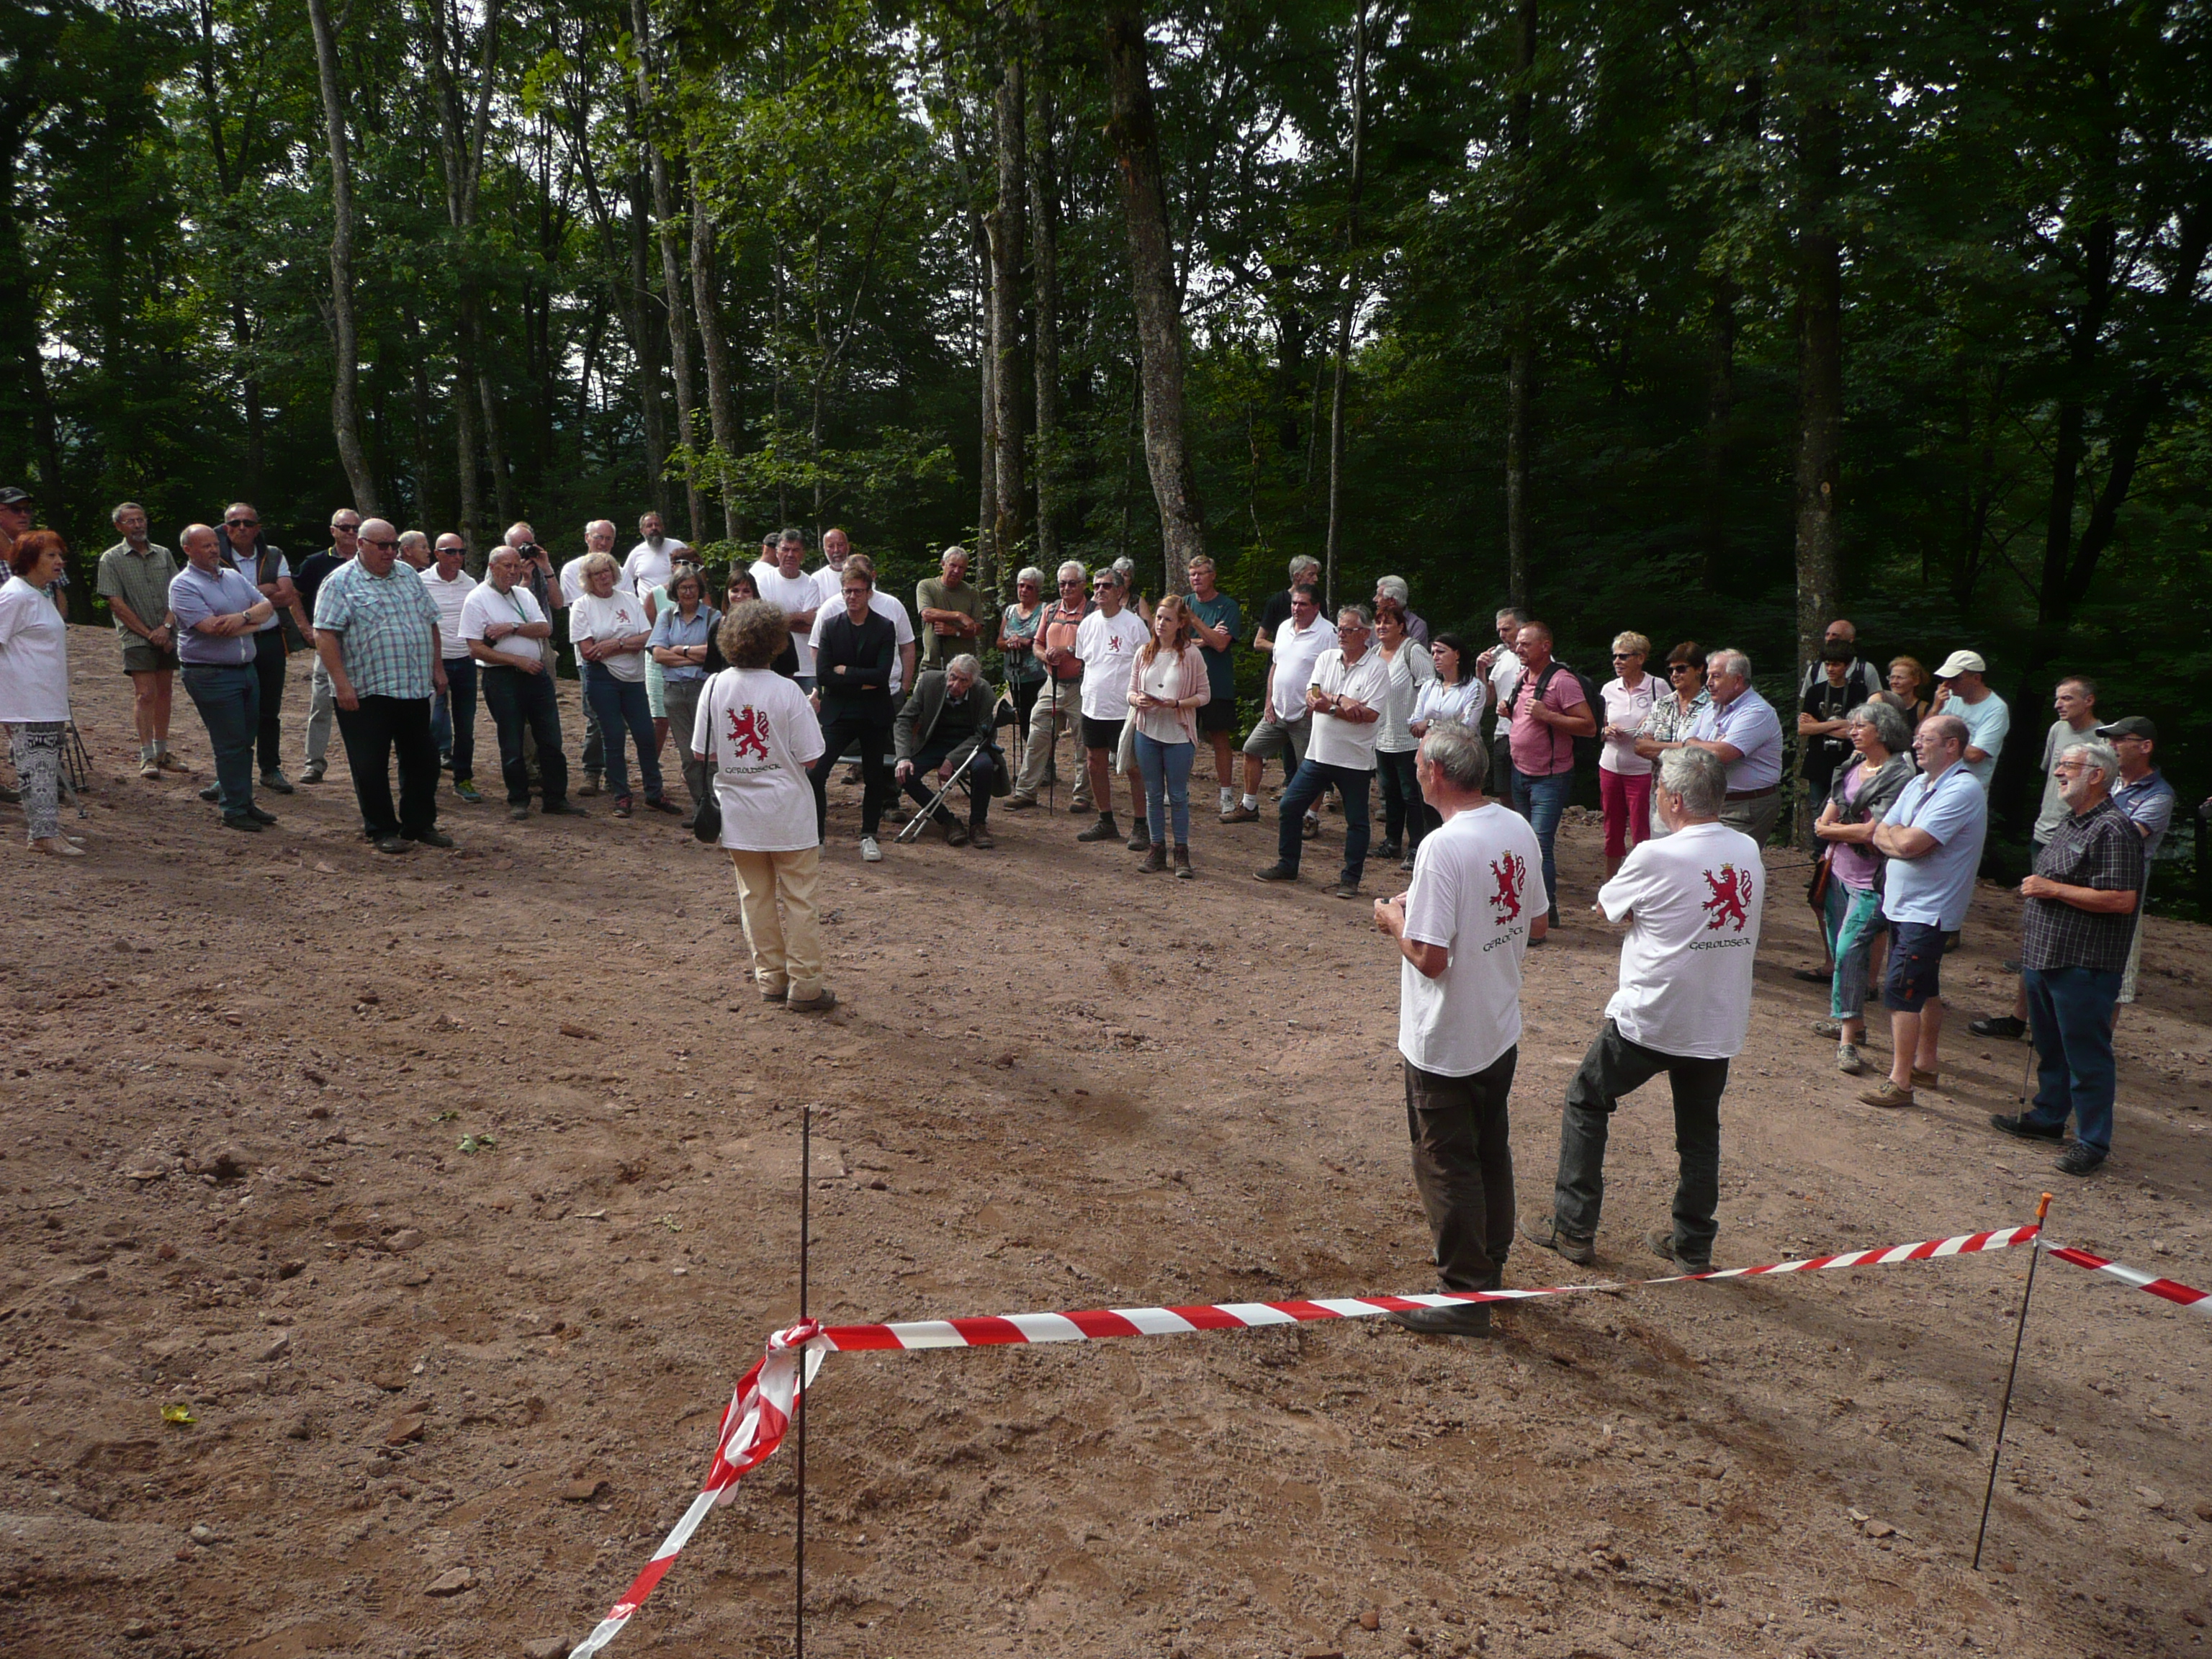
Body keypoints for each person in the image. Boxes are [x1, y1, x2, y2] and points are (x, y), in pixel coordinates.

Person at [1523, 747, 1761, 1277]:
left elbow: (1609, 907)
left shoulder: (1655, 855)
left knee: (1587, 1098)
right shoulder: (1745, 848)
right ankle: (1693, 1244)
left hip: (1655, 1015)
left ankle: (1574, 1227)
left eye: (1659, 790)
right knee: (1699, 1134)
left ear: (1674, 800)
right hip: (1716, 1019)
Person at [1373, 721, 1547, 1336]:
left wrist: (1393, 919)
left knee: (1446, 1162)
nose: (1415, 770)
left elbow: (1430, 958)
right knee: (1490, 1148)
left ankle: (1464, 1295)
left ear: (1438, 773)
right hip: (1497, 1023)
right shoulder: (1516, 826)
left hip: (1446, 1035)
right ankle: (1489, 1267)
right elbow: (1537, 923)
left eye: (1420, 762)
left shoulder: (1442, 846)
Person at [1987, 739, 2144, 1176]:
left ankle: (2092, 1142)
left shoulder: (2114, 828)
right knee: (2050, 1047)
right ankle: (2048, 1117)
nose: (2058, 772)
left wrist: (2051, 888)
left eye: (2068, 765)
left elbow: (2122, 899)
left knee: (2087, 1057)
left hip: (2084, 962)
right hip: (2046, 956)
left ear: (2096, 775)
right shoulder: (2073, 821)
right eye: (2059, 764)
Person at [696, 600, 834, 1012]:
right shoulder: (787, 690)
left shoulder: (714, 686)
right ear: (776, 642)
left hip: (739, 811)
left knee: (754, 898)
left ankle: (771, 979)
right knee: (800, 899)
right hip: (788, 811)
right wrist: (807, 713)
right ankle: (805, 986)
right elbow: (812, 758)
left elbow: (705, 753)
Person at [1854, 714, 1987, 1108]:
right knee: (1926, 987)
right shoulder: (1919, 783)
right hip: (1903, 904)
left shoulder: (1962, 790)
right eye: (1916, 738)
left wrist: (1898, 840)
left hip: (1928, 910)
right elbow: (1880, 831)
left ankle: (1901, 1082)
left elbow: (1911, 843)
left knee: (1902, 992)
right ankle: (1925, 1065)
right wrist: (1899, 840)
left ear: (1951, 745)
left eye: (1925, 739)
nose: (1915, 745)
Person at [1972, 677, 2103, 1040]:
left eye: (2068, 698)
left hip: (2077, 840)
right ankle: (2021, 1018)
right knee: (2037, 925)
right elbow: (2052, 776)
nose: (2059, 704)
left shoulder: (2104, 741)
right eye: (2057, 698)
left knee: (2063, 931)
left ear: (2089, 701)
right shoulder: (2057, 730)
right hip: (2044, 834)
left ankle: (2053, 1027)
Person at [313, 518, 451, 853]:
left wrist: (437, 667)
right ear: (361, 544)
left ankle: (419, 824)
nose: (390, 552)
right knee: (370, 765)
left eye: (393, 545)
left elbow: (430, 622)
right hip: (365, 690)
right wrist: (341, 685)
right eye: (383, 546)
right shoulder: (340, 582)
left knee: (423, 761)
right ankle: (382, 829)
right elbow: (324, 635)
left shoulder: (408, 576)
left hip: (412, 686)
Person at [1254, 603, 1389, 898]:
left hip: (1354, 760)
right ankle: (1288, 865)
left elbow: (1369, 714)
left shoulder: (1377, 669)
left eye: (1349, 629)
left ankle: (1350, 879)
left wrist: (1328, 706)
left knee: (1357, 821)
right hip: (1318, 754)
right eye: (1340, 628)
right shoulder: (1327, 658)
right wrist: (1340, 700)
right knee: (1289, 806)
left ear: (1365, 633)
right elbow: (1312, 694)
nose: (1341, 634)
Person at [1810, 701, 1915, 1074]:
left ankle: (1848, 1042)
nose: (1853, 731)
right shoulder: (1852, 766)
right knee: (1841, 950)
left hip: (1873, 880)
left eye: (1861, 726)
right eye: (1852, 725)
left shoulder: (1899, 774)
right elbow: (1825, 818)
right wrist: (1836, 830)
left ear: (1882, 732)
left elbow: (1874, 831)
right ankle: (1852, 1021)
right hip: (1838, 870)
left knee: (1848, 950)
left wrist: (1834, 831)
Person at [462, 547, 583, 822]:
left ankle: (556, 798)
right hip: (501, 678)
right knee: (512, 741)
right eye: (507, 566)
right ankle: (518, 799)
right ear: (492, 567)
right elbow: (475, 649)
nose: (513, 572)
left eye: (516, 566)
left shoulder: (524, 595)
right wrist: (517, 660)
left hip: (535, 674)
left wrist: (512, 627)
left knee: (551, 739)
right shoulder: (477, 599)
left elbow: (545, 629)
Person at [168, 524, 274, 832]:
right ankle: (233, 808)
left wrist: (243, 618)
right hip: (210, 674)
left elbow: (268, 608)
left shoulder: (233, 577)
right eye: (206, 546)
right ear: (188, 550)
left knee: (246, 741)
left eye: (215, 544)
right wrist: (254, 623)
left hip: (246, 669)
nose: (214, 550)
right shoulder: (183, 585)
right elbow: (212, 628)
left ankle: (243, 801)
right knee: (230, 743)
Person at [1501, 621, 1596, 927]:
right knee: (1523, 842)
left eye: (1525, 644)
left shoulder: (1563, 682)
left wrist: (1548, 715)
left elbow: (1589, 726)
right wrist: (1509, 711)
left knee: (1540, 845)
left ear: (1546, 646)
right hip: (1520, 771)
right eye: (1518, 644)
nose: (1519, 649)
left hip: (1550, 777)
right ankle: (1528, 905)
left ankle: (1546, 910)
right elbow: (1526, 720)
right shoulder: (1522, 677)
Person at [570, 552, 678, 821]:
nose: (603, 577)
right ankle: (621, 794)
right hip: (602, 678)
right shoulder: (582, 606)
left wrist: (614, 644)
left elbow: (647, 637)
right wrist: (628, 644)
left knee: (645, 735)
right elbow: (588, 651)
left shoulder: (630, 600)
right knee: (614, 737)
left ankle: (654, 793)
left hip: (634, 678)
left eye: (606, 571)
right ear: (589, 579)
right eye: (597, 573)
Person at [809, 554, 899, 862]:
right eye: (847, 591)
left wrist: (845, 672)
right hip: (838, 713)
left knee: (874, 777)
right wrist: (860, 680)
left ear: (869, 592)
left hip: (874, 714)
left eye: (858, 591)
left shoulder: (885, 627)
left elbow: (882, 675)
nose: (852, 597)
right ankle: (817, 836)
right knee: (816, 772)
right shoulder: (830, 626)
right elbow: (823, 675)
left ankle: (869, 835)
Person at [1226, 583, 1336, 827]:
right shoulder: (1285, 627)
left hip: (1306, 714)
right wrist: (1269, 701)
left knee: (1312, 767)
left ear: (1316, 607)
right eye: (1294, 603)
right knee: (1252, 749)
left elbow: (1331, 674)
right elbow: (1276, 665)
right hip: (1277, 710)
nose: (1296, 608)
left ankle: (1310, 817)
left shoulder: (1328, 633)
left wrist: (1314, 704)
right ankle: (1249, 805)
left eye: (1303, 604)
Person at [0, 531, 82, 854]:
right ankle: (43, 836)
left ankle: (48, 830)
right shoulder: (15, 596)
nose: (60, 561)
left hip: (46, 698)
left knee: (46, 767)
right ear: (29, 560)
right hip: (27, 700)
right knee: (35, 768)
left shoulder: (39, 594)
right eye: (51, 555)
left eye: (60, 555)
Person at [217, 502, 302, 795]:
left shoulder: (274, 554)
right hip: (232, 642)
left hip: (270, 641)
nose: (242, 528)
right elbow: (214, 601)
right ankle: (230, 774)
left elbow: (287, 595)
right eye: (235, 523)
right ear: (226, 528)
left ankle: (270, 769)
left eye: (248, 523)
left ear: (258, 528)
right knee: (232, 711)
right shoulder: (214, 555)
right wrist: (263, 592)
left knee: (269, 709)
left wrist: (242, 599)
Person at [96, 502, 184, 779]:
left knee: (165, 692)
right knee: (145, 693)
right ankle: (147, 755)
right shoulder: (111, 559)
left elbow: (178, 593)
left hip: (167, 632)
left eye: (141, 519)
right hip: (136, 636)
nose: (138, 525)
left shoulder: (164, 554)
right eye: (131, 521)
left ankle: (162, 751)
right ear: (119, 526)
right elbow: (116, 603)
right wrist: (150, 634)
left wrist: (166, 627)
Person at [1125, 594, 1210, 876]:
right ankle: (1156, 848)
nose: (1161, 624)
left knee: (1177, 795)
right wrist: (1137, 700)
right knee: (1153, 793)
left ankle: (1181, 852)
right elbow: (1130, 690)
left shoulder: (1191, 655)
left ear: (1180, 623)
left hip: (1178, 734)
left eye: (1168, 619)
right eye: (1159, 618)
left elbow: (1204, 695)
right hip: (1147, 731)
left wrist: (1177, 704)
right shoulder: (1144, 652)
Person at [2099, 716, 2175, 1015]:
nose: (2112, 746)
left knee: (2113, 983)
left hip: (2123, 896)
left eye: (2120, 740)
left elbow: (2122, 839)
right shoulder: (2106, 780)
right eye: (2110, 740)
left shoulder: (2159, 795)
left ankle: (2098, 1044)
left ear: (2145, 747)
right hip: (2084, 885)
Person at [1072, 567, 1152, 848]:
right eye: (1096, 586)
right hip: (1093, 707)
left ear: (1119, 591)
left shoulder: (1134, 625)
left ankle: (1142, 824)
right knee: (1094, 763)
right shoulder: (1087, 624)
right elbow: (1085, 662)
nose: (1099, 591)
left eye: (1106, 586)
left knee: (1134, 768)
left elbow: (1147, 665)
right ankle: (1105, 820)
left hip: (1125, 709)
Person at [894, 652, 999, 848]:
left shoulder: (984, 691)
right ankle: (946, 820)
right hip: (933, 743)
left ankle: (978, 824)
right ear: (948, 673)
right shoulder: (929, 682)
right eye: (953, 677)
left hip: (969, 746)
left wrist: (952, 760)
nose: (955, 685)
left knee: (984, 767)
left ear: (973, 682)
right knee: (906, 774)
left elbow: (984, 735)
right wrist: (903, 757)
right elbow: (904, 719)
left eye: (963, 681)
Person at [1007, 561, 1089, 809]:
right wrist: (1045, 657)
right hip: (1051, 684)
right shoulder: (1051, 610)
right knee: (1037, 735)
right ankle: (1026, 792)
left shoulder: (1093, 613)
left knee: (1083, 742)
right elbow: (1037, 643)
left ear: (1083, 585)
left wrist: (1068, 650)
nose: (1066, 588)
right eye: (1063, 583)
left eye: (1072, 583)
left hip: (1081, 686)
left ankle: (1083, 796)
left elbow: (1096, 648)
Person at [1684, 648, 1784, 847]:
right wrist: (1703, 745)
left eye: (1716, 676)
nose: (1708, 682)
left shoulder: (1757, 712)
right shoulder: (1712, 707)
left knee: (1729, 861)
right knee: (1706, 859)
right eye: (1708, 676)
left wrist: (1697, 744)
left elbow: (1721, 754)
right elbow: (1684, 740)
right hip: (1713, 802)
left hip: (1745, 807)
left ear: (1738, 680)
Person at [293, 508, 360, 784]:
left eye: (356, 528)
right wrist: (305, 628)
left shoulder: (372, 561)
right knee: (322, 703)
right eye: (345, 528)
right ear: (333, 530)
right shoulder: (316, 563)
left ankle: (364, 763)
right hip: (329, 644)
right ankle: (314, 763)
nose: (351, 533)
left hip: (365, 646)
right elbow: (293, 595)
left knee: (366, 706)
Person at [649, 565, 724, 812]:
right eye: (683, 588)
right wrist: (694, 658)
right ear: (675, 591)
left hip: (704, 690)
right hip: (674, 693)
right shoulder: (667, 617)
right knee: (688, 755)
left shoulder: (713, 617)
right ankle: (701, 807)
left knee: (710, 752)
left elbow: (714, 654)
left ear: (700, 589)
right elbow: (658, 654)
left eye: (692, 587)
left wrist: (680, 651)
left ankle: (718, 806)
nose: (688, 592)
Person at [1370, 598, 1434, 868]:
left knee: (1413, 796)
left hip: (1409, 738)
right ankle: (1392, 842)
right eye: (1378, 622)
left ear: (1401, 626)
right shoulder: (1374, 654)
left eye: (1388, 622)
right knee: (1390, 793)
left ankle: (1417, 846)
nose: (1382, 627)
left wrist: (1424, 721)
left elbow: (1430, 686)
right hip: (1382, 737)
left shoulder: (1413, 651)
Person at [421, 534, 481, 802]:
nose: (457, 557)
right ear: (437, 553)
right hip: (433, 662)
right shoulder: (421, 582)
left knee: (465, 726)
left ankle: (463, 778)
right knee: (431, 724)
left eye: (461, 552)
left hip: (466, 662)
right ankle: (428, 778)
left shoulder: (471, 584)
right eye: (450, 551)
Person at [1184, 556, 1243, 817]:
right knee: (1183, 737)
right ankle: (1178, 789)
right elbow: (1173, 641)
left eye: (1201, 573)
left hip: (1217, 682)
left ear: (1213, 575)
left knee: (1220, 739)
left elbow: (1221, 645)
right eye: (1192, 574)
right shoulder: (1183, 602)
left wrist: (1195, 622)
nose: (1196, 578)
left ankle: (1226, 795)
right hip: (1185, 684)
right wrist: (1207, 637)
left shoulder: (1227, 606)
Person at [1597, 631, 1658, 880]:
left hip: (1642, 770)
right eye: (1615, 656)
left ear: (1640, 658)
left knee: (1641, 831)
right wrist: (1605, 731)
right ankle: (1610, 885)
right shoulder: (1608, 689)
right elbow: (1596, 728)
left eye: (1623, 656)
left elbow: (1671, 722)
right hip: (1610, 767)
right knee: (1612, 828)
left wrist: (1651, 723)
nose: (1617, 661)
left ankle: (1642, 884)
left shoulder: (1657, 686)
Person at [565, 521, 619, 794]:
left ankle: (614, 772)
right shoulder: (572, 570)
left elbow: (627, 613)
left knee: (618, 717)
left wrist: (619, 643)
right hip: (589, 657)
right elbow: (580, 612)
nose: (603, 543)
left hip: (621, 660)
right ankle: (592, 772)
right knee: (596, 716)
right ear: (587, 537)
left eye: (609, 538)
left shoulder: (618, 570)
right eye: (599, 537)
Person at [752, 529, 824, 692]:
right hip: (773, 665)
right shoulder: (763, 581)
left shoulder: (811, 584)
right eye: (785, 549)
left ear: (802, 554)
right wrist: (801, 616)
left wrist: (777, 620)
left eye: (795, 550)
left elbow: (809, 627)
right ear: (777, 552)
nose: (790, 555)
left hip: (806, 668)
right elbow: (765, 623)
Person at [1797, 639, 1860, 817]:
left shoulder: (1858, 692)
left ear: (1847, 666)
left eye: (1836, 665)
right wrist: (1839, 723)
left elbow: (1854, 732)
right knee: (1817, 810)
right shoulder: (1814, 692)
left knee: (1846, 809)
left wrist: (1817, 725)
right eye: (1827, 664)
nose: (1830, 669)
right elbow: (1803, 729)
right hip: (1818, 763)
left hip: (1847, 761)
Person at [1929, 649, 2009, 791]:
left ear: (1976, 678)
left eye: (1955, 679)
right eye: (1946, 678)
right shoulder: (1948, 697)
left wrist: (1938, 739)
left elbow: (1975, 755)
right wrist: (1935, 709)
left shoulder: (1996, 709)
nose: (1949, 684)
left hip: (1966, 787)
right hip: (1934, 780)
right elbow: (1920, 734)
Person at [997, 566, 1048, 772]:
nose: (1024, 590)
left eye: (1029, 587)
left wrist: (1027, 642)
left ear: (1037, 590)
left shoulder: (1045, 610)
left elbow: (1048, 640)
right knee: (1024, 718)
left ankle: (1046, 765)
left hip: (1038, 675)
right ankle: (1033, 767)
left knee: (1040, 720)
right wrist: (1010, 642)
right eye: (1021, 585)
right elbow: (999, 643)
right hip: (1015, 675)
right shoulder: (1010, 611)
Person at [705, 568, 799, 680]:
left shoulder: (771, 625)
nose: (740, 596)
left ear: (754, 594)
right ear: (727, 593)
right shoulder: (718, 627)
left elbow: (789, 668)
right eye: (735, 591)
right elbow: (713, 668)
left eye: (746, 591)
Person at [1475, 606, 1529, 790]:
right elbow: (1488, 699)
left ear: (1522, 628)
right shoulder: (1502, 658)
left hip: (1530, 736)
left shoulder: (1539, 658)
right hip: (1503, 735)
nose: (1501, 635)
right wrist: (1480, 670)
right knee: (1504, 791)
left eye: (1506, 629)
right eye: (1499, 630)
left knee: (1526, 792)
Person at [916, 544, 992, 673]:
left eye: (961, 568)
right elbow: (927, 614)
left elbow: (977, 628)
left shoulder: (971, 592)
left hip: (963, 667)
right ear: (943, 564)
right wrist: (959, 616)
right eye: (953, 565)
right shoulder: (927, 586)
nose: (956, 571)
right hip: (932, 664)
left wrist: (954, 631)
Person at [1797, 618, 1881, 704]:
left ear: (1851, 639)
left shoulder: (1865, 670)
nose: (1829, 639)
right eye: (1827, 634)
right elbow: (1806, 703)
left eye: (1835, 635)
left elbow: (1876, 703)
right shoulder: (1815, 669)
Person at [1251, 554, 1321, 652]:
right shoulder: (1277, 601)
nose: (1316, 579)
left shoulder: (1317, 601)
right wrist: (1285, 650)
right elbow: (1259, 642)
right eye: (1311, 575)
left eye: (1303, 604)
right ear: (1297, 576)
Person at [621, 510, 688, 598]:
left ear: (663, 527)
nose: (654, 528)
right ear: (642, 531)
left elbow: (695, 573)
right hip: (647, 605)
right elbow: (624, 580)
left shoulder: (678, 547)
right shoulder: (636, 553)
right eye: (649, 526)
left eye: (657, 525)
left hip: (677, 603)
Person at [1876, 657, 1929, 737]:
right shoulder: (1882, 706)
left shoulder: (1924, 710)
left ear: (1916, 681)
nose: (1894, 682)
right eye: (1892, 677)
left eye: (1900, 678)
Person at [1373, 575, 1429, 647]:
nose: (1375, 599)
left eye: (1379, 595)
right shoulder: (1374, 624)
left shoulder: (1417, 626)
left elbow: (1417, 652)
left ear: (1392, 601)